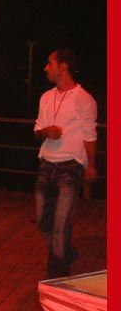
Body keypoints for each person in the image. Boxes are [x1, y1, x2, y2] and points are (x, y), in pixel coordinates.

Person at [33, 48, 98, 279]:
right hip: (46, 166)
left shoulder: (84, 99)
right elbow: (37, 130)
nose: (45, 68)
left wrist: (91, 165)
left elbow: (90, 135)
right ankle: (65, 254)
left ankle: (57, 279)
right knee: (43, 223)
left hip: (70, 169)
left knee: (60, 227)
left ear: (63, 66)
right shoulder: (45, 97)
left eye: (49, 63)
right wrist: (45, 132)